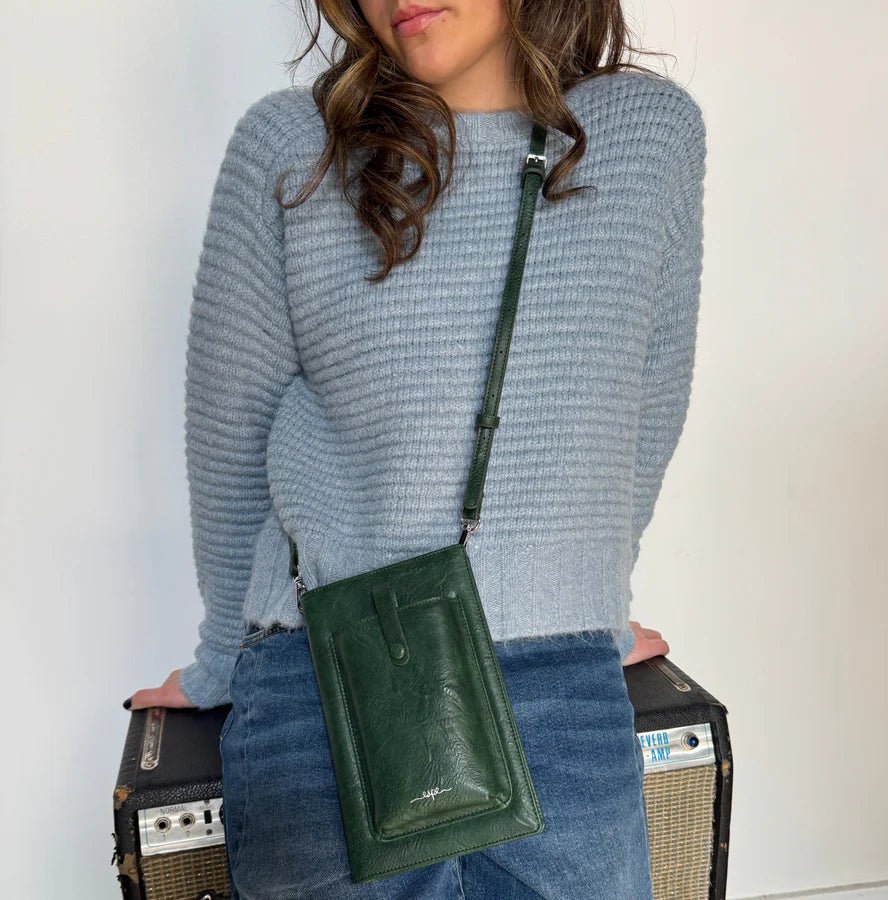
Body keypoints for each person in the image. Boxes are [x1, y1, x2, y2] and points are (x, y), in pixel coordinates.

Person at [126, 0, 706, 895]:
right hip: (328, 677)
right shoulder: (291, 145)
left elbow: (646, 398)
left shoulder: (649, 136)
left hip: (561, 688)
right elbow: (231, 431)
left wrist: (588, 592)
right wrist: (218, 658)